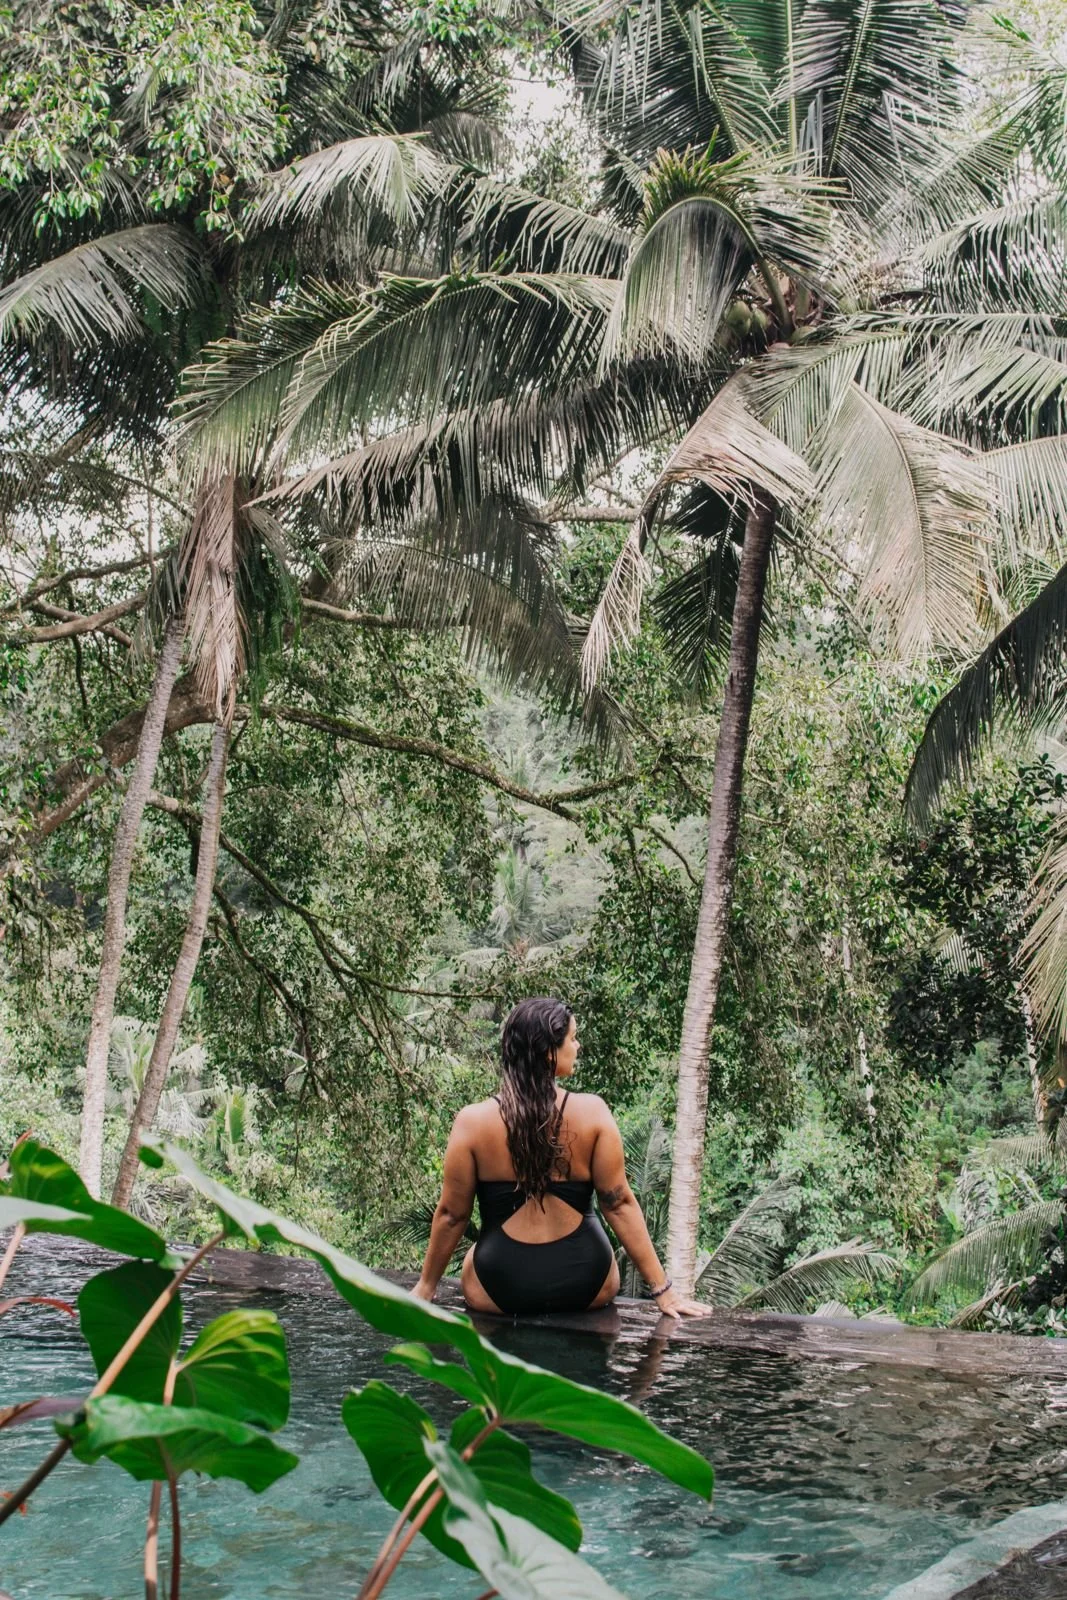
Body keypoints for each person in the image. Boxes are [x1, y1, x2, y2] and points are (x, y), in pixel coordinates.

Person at [412, 996, 710, 1319]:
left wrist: (426, 1287)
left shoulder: (472, 1122)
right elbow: (618, 1204)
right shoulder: (593, 1113)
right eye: (572, 1038)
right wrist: (663, 1292)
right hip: (588, 1283)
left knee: (473, 1257)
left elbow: (452, 1215)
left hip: (501, 1287)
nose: (577, 1046)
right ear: (548, 1052)